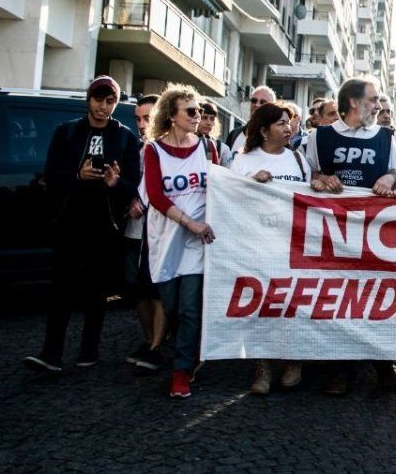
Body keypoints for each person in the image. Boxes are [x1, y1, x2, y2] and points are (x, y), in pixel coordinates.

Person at [24, 76, 142, 374]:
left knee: (97, 289)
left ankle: (89, 349)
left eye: (110, 101)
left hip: (106, 222)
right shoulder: (67, 132)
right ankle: (52, 353)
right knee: (61, 288)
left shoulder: (126, 137)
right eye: (99, 100)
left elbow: (135, 182)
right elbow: (50, 176)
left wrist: (116, 183)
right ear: (88, 99)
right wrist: (77, 175)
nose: (103, 107)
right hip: (70, 219)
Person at [305, 76, 396, 395]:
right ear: (354, 102)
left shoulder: (386, 137)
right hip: (335, 232)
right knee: (341, 298)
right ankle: (341, 368)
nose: (378, 105)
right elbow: (310, 176)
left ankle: (381, 363)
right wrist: (321, 180)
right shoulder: (319, 136)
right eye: (373, 99)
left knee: (376, 297)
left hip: (375, 231)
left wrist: (389, 179)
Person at [143, 85, 218, 398]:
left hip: (198, 242)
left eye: (198, 110)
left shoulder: (207, 147)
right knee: (171, 307)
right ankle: (186, 350)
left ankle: (181, 371)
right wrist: (187, 222)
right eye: (190, 110)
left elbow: (220, 185)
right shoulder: (153, 150)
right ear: (171, 115)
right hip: (167, 237)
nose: (196, 115)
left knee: (189, 308)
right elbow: (157, 195)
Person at [231, 103, 310, 395]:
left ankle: (293, 361)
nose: (288, 127)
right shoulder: (243, 161)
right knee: (262, 304)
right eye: (280, 123)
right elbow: (229, 198)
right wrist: (251, 183)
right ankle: (262, 366)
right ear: (264, 130)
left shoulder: (299, 160)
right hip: (257, 244)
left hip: (292, 244)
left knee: (292, 302)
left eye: (289, 122)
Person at [123, 94, 164, 373]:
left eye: (147, 118)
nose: (141, 124)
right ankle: (149, 342)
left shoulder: (170, 149)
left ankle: (157, 347)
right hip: (134, 230)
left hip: (160, 230)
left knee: (157, 290)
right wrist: (128, 197)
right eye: (137, 119)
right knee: (137, 291)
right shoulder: (134, 147)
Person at [224, 85, 276, 166]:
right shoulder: (234, 134)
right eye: (254, 101)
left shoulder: (277, 138)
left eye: (262, 102)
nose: (257, 105)